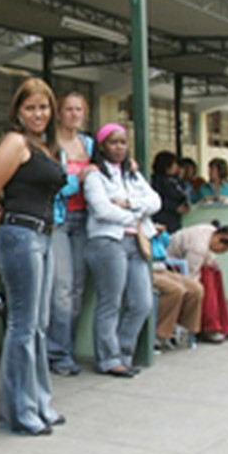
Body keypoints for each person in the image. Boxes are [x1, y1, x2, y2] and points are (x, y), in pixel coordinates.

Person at [0, 77, 66, 436]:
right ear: (18, 111)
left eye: (43, 107)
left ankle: (39, 402)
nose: (38, 114)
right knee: (23, 325)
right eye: (30, 108)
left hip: (44, 236)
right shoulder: (15, 142)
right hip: (20, 235)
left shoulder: (46, 147)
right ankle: (20, 411)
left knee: (39, 326)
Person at [83, 123, 160, 377]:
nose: (119, 147)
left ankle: (124, 353)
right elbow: (102, 210)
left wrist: (129, 204)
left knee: (141, 302)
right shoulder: (95, 175)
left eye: (123, 142)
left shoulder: (132, 174)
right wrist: (136, 216)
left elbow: (155, 201)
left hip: (136, 244)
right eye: (113, 142)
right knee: (110, 303)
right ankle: (108, 358)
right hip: (108, 243)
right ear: (102, 146)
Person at [46, 91, 95, 377]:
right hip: (59, 221)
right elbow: (54, 188)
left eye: (79, 109)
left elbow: (106, 171)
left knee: (77, 290)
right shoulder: (51, 145)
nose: (74, 114)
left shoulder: (89, 144)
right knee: (61, 290)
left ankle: (66, 349)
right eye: (69, 109)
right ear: (59, 113)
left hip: (85, 220)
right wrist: (77, 180)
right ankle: (57, 353)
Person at [165, 221, 228, 343]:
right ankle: (206, 326)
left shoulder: (210, 231)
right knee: (205, 283)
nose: (222, 252)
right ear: (218, 240)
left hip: (185, 263)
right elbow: (191, 275)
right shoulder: (198, 247)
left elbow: (208, 259)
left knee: (214, 273)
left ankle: (216, 323)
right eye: (224, 249)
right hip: (172, 264)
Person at [149, 226, 202, 352]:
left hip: (162, 268)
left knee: (196, 289)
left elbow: (165, 247)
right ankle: (159, 334)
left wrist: (161, 235)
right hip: (147, 269)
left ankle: (184, 328)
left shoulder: (153, 228)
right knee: (175, 290)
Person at [151, 151, 191, 232]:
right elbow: (158, 200)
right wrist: (175, 207)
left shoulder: (175, 181)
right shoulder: (157, 181)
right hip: (163, 218)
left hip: (175, 220)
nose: (176, 167)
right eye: (174, 164)